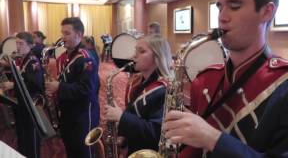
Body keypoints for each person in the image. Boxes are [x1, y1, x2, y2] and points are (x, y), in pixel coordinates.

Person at [163, 0, 288, 157]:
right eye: (220, 7)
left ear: (267, 12)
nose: (222, 17)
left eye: (235, 6)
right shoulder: (206, 79)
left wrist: (213, 139)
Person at [105, 34, 174, 156]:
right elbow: (136, 116)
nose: (134, 56)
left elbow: (156, 133)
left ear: (157, 56)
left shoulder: (164, 90)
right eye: (135, 50)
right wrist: (124, 137)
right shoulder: (137, 82)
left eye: (141, 51)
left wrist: (122, 118)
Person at [45, 17, 100, 158]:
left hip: (83, 115)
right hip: (68, 111)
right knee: (70, 148)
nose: (63, 38)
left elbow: (86, 90)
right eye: (62, 33)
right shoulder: (65, 56)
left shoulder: (86, 58)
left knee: (83, 152)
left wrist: (59, 87)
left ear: (79, 35)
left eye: (67, 33)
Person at [0, 32, 44, 158]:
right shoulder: (21, 59)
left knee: (31, 138)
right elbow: (22, 78)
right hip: (20, 103)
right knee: (22, 136)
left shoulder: (33, 61)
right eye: (17, 43)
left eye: (21, 43)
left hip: (31, 105)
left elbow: (34, 85)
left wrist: (13, 85)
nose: (18, 46)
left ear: (30, 45)